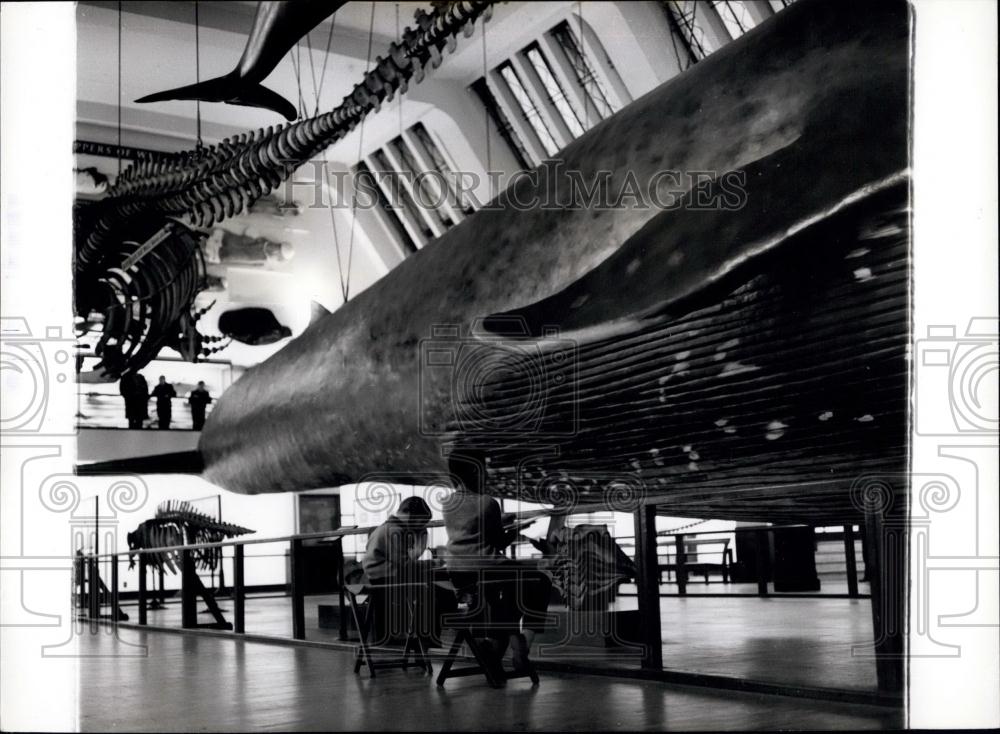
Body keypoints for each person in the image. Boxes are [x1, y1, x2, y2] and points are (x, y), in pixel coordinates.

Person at [442, 453, 553, 674]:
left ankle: (495, 646)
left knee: (508, 595)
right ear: (475, 471)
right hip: (488, 568)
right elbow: (498, 542)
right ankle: (522, 642)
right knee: (540, 581)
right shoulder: (488, 502)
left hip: (459, 571)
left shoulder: (448, 503)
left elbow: (472, 528)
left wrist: (499, 523)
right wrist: (517, 530)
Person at [363, 497, 449, 645]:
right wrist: (431, 563)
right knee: (435, 592)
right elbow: (405, 564)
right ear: (409, 514)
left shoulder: (388, 527)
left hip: (381, 576)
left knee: (431, 588)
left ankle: (423, 636)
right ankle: (428, 637)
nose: (422, 526)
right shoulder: (395, 531)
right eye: (422, 521)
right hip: (386, 577)